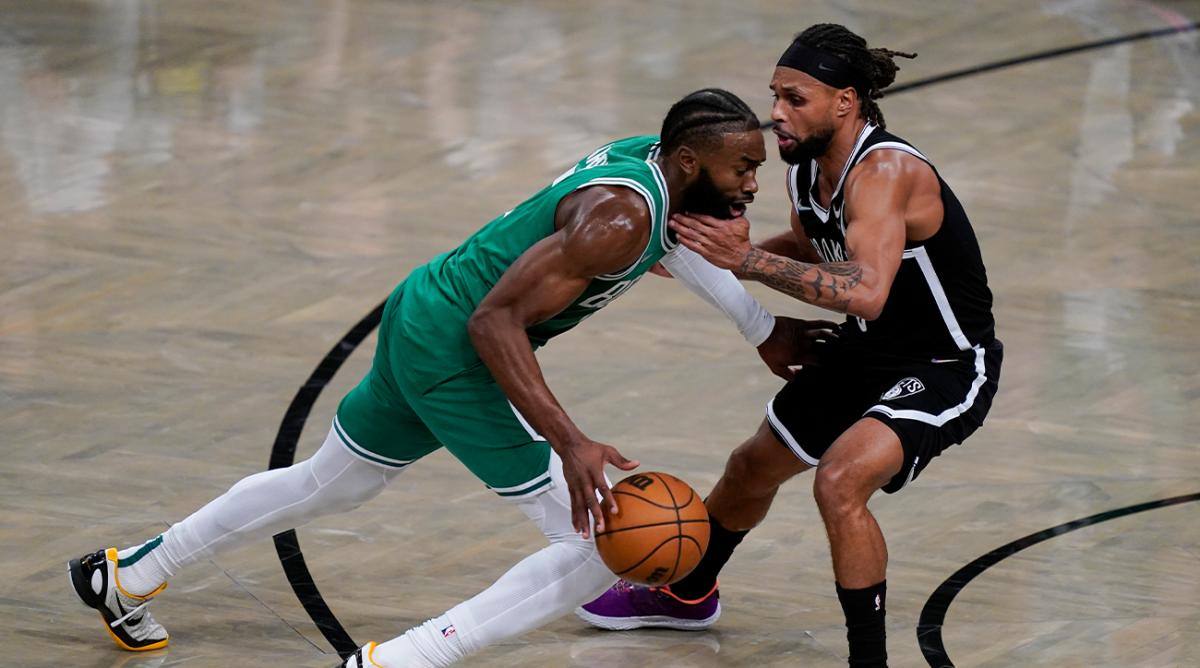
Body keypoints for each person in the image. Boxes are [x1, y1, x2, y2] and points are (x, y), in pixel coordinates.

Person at [67, 88, 835, 668]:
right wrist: (571, 442)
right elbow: (495, 324)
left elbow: (678, 245)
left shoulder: (656, 165)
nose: (752, 185)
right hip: (456, 348)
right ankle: (395, 662)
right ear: (693, 161)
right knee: (601, 546)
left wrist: (762, 329)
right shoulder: (618, 219)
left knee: (334, 484)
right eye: (744, 167)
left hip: (424, 311)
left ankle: (132, 573)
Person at [579, 24, 1003, 668]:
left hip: (944, 362)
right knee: (752, 467)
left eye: (795, 97)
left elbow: (866, 291)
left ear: (846, 101)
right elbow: (815, 251)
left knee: (839, 482)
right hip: (867, 352)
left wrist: (744, 260)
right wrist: (704, 253)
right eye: (775, 94)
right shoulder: (805, 170)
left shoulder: (885, 171)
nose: (777, 111)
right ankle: (688, 595)